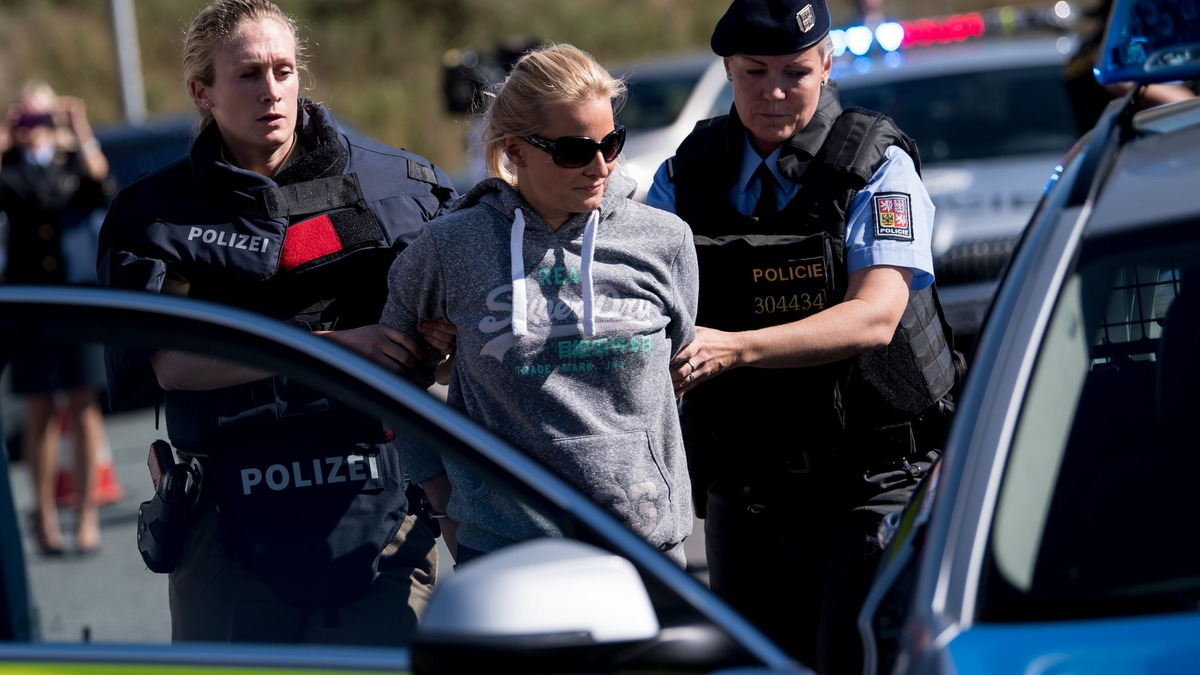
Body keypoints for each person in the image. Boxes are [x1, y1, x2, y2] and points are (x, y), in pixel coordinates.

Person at [97, 0, 457, 646]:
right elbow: (169, 362)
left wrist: (440, 341)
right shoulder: (156, 216)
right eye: (248, 74)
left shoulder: (401, 186)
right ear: (200, 92)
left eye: (284, 71)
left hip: (382, 497)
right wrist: (330, 347)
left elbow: (467, 347)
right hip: (226, 518)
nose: (272, 91)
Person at [645, 0, 958, 671]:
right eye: (754, 71)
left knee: (855, 656)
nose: (774, 92)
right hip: (749, 485)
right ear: (728, 67)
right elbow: (634, 297)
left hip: (871, 477)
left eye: (795, 72)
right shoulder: (685, 174)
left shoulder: (875, 163)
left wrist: (735, 347)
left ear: (826, 65)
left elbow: (875, 315)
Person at [381, 44, 699, 567]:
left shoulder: (664, 240)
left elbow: (674, 379)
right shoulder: (448, 247)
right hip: (505, 556)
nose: (600, 166)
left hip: (652, 555)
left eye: (611, 143)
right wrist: (450, 513)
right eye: (574, 150)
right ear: (516, 151)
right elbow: (392, 388)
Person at [0, 81, 115, 556]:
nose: (34, 129)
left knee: (84, 408)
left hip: (77, 300)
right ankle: (45, 517)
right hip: (30, 302)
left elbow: (101, 182)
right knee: (39, 411)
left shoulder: (72, 163)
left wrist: (78, 125)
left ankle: (87, 514)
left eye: (41, 119)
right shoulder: (10, 168)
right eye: (27, 120)